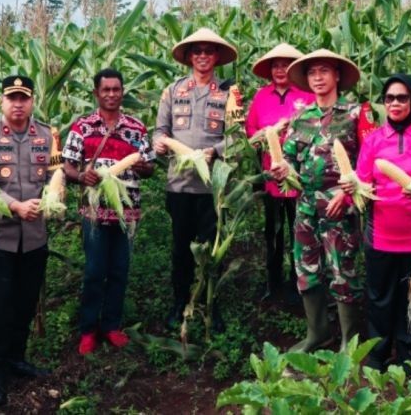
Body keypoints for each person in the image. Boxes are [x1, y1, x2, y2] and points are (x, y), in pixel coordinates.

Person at [270, 49, 375, 352]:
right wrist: (282, 169)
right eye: (313, 73)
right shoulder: (301, 118)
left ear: (337, 76)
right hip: (306, 207)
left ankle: (349, 340)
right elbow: (288, 157)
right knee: (307, 269)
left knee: (344, 272)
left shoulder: (356, 113)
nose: (318, 77)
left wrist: (348, 192)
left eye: (324, 71)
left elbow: (370, 160)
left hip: (341, 205)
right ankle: (318, 334)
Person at [349, 74, 411, 370]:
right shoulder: (374, 141)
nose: (395, 103)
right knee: (379, 300)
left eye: (402, 97)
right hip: (380, 237)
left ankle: (409, 357)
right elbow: (363, 184)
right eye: (389, 98)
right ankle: (378, 356)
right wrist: (352, 190)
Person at [0, 76, 55, 407]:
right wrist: (16, 206)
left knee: (24, 302)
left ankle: (17, 358)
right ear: (1, 102)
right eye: (12, 98)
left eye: (24, 98)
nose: (18, 104)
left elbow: (53, 176)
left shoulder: (46, 136)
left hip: (33, 238)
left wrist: (50, 198)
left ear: (32, 101)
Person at [62, 68, 155, 355]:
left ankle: (111, 326)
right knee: (93, 272)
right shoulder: (82, 127)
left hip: (127, 214)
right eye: (106, 90)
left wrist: (142, 166)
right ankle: (88, 329)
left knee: (119, 270)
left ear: (122, 92)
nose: (112, 94)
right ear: (96, 93)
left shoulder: (137, 128)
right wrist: (80, 177)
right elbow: (67, 166)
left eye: (116, 89)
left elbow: (150, 167)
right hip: (94, 213)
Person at [153, 28, 238, 330]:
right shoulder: (173, 91)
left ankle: (211, 303)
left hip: (213, 187)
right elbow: (159, 131)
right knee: (181, 248)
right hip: (179, 184)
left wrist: (214, 151)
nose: (202, 56)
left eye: (208, 51)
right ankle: (180, 301)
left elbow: (236, 137)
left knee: (212, 245)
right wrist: (160, 143)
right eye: (197, 51)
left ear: (216, 57)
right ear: (189, 57)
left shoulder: (229, 93)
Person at [244, 43, 314, 303]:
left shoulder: (306, 95)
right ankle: (273, 283)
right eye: (275, 65)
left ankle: (301, 284)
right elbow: (250, 133)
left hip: (300, 178)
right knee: (273, 233)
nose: (280, 69)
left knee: (301, 232)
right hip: (271, 178)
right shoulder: (261, 97)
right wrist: (267, 134)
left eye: (286, 64)